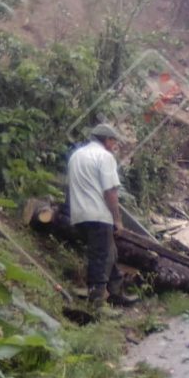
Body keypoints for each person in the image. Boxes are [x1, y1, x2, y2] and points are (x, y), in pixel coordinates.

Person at [67, 123, 137, 316]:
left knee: (109, 251)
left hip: (79, 213)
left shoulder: (76, 156)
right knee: (102, 256)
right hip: (98, 214)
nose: (115, 145)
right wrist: (118, 219)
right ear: (107, 140)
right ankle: (97, 300)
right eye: (114, 141)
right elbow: (111, 191)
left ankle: (115, 292)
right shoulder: (105, 157)